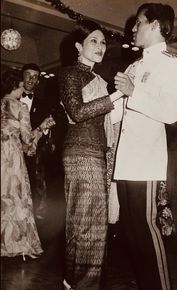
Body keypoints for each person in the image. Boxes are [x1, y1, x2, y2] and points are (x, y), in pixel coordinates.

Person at [112, 3, 177, 290]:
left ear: (156, 26)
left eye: (139, 23)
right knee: (131, 234)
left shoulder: (171, 65)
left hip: (146, 163)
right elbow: (119, 109)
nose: (133, 28)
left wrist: (134, 92)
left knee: (147, 232)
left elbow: (171, 113)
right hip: (126, 162)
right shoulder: (135, 65)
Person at [59, 20, 122, 290]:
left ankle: (76, 282)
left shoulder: (99, 79)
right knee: (88, 226)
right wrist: (118, 95)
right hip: (81, 153)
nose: (100, 46)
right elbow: (78, 111)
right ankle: (84, 285)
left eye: (103, 42)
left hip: (96, 153)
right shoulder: (69, 74)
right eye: (93, 41)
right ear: (78, 46)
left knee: (88, 224)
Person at [1, 69, 55, 260]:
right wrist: (42, 127)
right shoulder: (20, 106)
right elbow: (27, 139)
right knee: (16, 198)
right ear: (17, 86)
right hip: (12, 158)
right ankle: (19, 244)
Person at [20, 63, 55, 219]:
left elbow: (48, 127)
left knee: (37, 184)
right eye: (28, 74)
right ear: (22, 76)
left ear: (38, 81)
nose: (31, 79)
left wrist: (42, 133)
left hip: (35, 152)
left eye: (35, 76)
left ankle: (36, 217)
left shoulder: (44, 104)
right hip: (13, 149)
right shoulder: (9, 100)